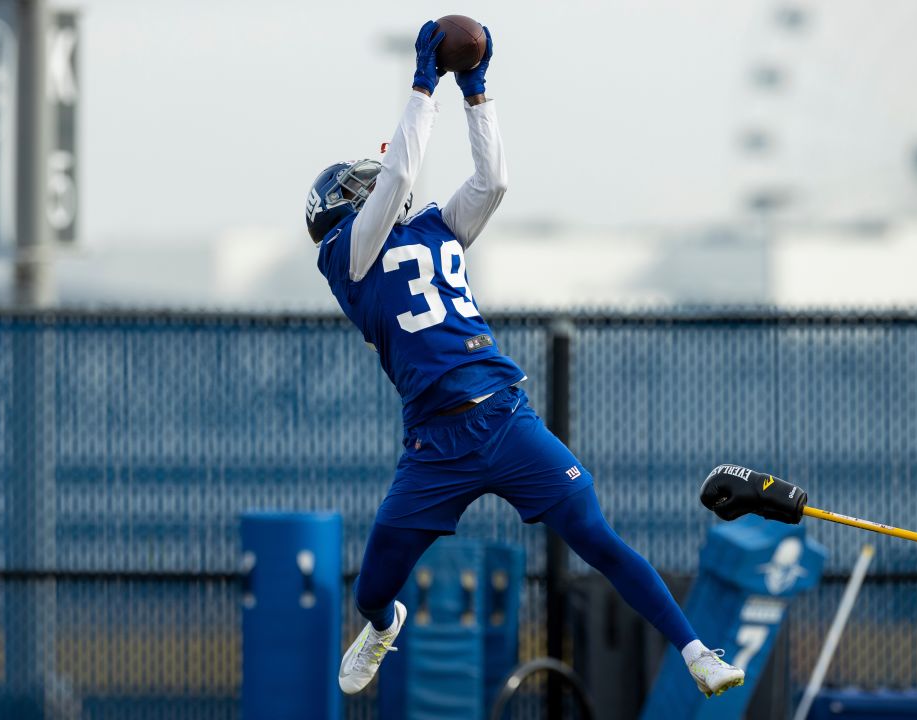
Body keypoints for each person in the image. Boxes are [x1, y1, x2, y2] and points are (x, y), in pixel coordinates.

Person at [304, 20, 745, 700]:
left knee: (594, 535)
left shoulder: (433, 226)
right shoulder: (346, 259)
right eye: (359, 185)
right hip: (435, 440)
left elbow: (494, 180)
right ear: (339, 208)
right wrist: (424, 82)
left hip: (505, 414)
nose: (378, 183)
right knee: (373, 587)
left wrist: (477, 93)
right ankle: (384, 624)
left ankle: (694, 650)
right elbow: (395, 179)